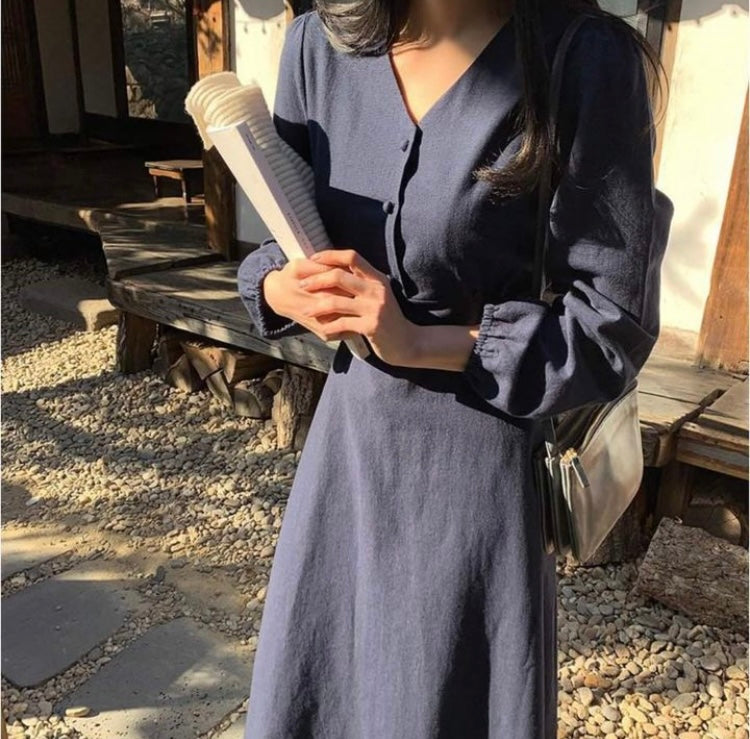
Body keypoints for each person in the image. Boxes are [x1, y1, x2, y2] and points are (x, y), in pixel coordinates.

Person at [236, 0, 665, 735]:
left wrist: (419, 342)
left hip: (478, 472)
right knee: (325, 689)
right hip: (347, 460)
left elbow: (609, 328)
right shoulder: (319, 45)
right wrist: (279, 286)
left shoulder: (584, 59)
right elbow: (289, 232)